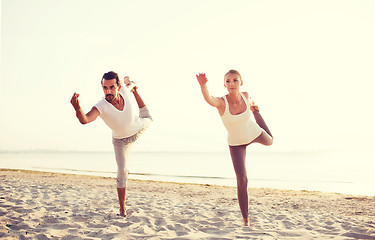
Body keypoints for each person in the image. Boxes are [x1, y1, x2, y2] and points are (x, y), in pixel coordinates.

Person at [196, 70, 273, 226]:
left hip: (254, 132)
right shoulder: (221, 102)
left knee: (270, 141)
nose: (232, 83)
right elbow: (209, 99)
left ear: (241, 82)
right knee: (242, 180)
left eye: (235, 80)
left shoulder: (246, 94)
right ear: (224, 85)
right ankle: (246, 220)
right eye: (228, 81)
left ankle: (256, 112)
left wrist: (252, 108)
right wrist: (203, 85)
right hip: (236, 143)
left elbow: (249, 99)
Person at [70, 71, 152, 217]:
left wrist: (134, 86)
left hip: (138, 127)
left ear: (118, 87)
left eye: (111, 87)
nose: (108, 91)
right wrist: (77, 108)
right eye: (105, 88)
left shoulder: (125, 90)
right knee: (122, 171)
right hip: (121, 141)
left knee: (149, 117)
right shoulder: (101, 106)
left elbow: (132, 86)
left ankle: (130, 84)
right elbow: (85, 119)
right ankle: (122, 208)